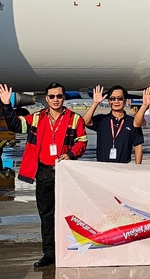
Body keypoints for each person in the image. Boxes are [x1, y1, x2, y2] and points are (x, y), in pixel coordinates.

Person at [0, 82, 87, 268]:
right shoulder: (37, 118)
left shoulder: (74, 119)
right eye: (52, 96)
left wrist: (71, 154)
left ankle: (69, 249)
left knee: (68, 213)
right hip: (44, 171)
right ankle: (49, 253)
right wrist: (6, 105)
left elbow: (82, 141)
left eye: (59, 96)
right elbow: (15, 125)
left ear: (64, 97)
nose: (56, 99)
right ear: (47, 98)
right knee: (46, 215)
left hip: (65, 171)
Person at [84, 85, 144, 164]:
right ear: (109, 101)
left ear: (125, 100)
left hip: (123, 166)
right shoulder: (102, 120)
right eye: (112, 99)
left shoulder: (133, 122)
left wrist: (137, 167)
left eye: (120, 98)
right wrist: (95, 103)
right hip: (103, 166)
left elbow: (138, 146)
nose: (116, 101)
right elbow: (85, 121)